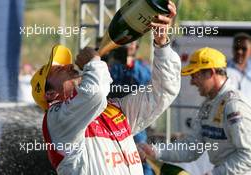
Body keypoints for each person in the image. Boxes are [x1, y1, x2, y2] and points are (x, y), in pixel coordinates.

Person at [30, 2, 180, 174]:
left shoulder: (113, 110)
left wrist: (162, 44)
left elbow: (163, 92)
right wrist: (93, 62)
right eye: (59, 69)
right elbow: (96, 93)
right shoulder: (56, 120)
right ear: (50, 94)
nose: (69, 66)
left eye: (66, 65)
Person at [138, 47, 251, 175]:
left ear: (211, 72)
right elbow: (192, 147)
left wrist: (216, 173)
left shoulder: (234, 105)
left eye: (195, 75)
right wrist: (155, 151)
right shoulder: (208, 105)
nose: (192, 82)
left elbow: (248, 155)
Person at [108, 42, 153, 175]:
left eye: (132, 43)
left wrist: (130, 66)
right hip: (112, 120)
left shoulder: (142, 69)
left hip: (135, 121)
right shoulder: (113, 67)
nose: (128, 46)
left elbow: (148, 87)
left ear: (136, 47)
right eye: (126, 43)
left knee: (141, 156)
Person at [227, 33, 251, 102]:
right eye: (236, 48)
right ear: (232, 49)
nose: (239, 51)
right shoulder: (223, 69)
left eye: (244, 49)